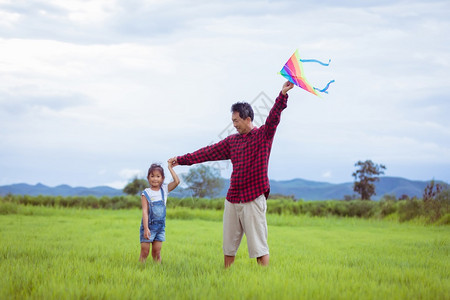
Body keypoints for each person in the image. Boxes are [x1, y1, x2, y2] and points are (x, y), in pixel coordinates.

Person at [169, 81, 294, 268]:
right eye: (233, 121)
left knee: (259, 248)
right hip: (233, 199)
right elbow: (207, 153)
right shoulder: (232, 141)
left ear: (247, 119)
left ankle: (266, 282)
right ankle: (226, 278)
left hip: (253, 199)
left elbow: (273, 118)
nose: (234, 125)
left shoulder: (263, 136)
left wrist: (282, 95)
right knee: (228, 247)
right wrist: (182, 159)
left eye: (236, 121)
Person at [139, 162, 180, 263]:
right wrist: (146, 228)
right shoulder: (146, 193)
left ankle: (157, 270)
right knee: (145, 252)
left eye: (158, 176)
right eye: (152, 176)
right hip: (149, 227)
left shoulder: (164, 190)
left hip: (160, 228)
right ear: (148, 178)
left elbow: (177, 181)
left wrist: (170, 167)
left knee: (157, 252)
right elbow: (144, 211)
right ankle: (140, 269)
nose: (155, 179)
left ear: (162, 178)